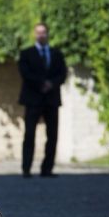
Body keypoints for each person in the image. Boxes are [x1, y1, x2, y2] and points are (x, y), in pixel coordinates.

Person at [18, 22, 67, 178]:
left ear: (47, 34)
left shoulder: (57, 54)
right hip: (33, 99)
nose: (41, 35)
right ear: (34, 34)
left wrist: (51, 84)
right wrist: (42, 83)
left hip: (51, 100)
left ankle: (47, 169)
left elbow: (62, 73)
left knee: (52, 135)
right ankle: (26, 169)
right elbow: (25, 73)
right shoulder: (26, 53)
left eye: (43, 32)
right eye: (38, 32)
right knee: (29, 135)